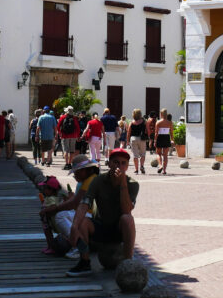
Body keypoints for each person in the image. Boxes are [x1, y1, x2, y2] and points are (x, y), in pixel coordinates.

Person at [66, 148, 138, 277]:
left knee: (128, 219)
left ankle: (128, 263)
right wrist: (74, 226)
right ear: (109, 163)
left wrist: (122, 184)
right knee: (83, 222)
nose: (119, 166)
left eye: (123, 163)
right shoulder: (98, 181)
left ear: (127, 166)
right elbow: (84, 203)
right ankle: (84, 261)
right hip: (101, 226)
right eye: (116, 162)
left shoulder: (132, 184)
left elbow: (127, 210)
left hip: (119, 228)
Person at [39, 158, 99, 256]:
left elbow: (75, 203)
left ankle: (77, 245)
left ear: (84, 170)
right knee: (66, 215)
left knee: (60, 216)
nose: (75, 175)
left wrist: (56, 208)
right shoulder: (90, 179)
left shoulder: (88, 182)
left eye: (76, 172)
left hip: (92, 216)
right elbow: (76, 201)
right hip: (91, 214)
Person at [127, 109, 148, 174]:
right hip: (142, 139)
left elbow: (128, 132)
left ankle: (136, 170)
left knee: (135, 155)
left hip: (133, 139)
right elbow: (147, 130)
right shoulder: (144, 121)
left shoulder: (131, 122)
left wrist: (127, 141)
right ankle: (142, 166)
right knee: (143, 154)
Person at [58, 106, 80, 170]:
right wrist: (77, 135)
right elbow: (78, 128)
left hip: (64, 136)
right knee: (72, 151)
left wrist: (60, 134)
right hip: (73, 136)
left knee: (66, 150)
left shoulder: (62, 117)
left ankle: (66, 164)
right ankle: (70, 164)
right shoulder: (74, 118)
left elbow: (58, 126)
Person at [154, 109, 174, 174]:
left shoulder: (158, 122)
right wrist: (172, 140)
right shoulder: (170, 122)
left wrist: (155, 140)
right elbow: (171, 132)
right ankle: (164, 170)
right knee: (165, 155)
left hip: (160, 137)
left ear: (161, 114)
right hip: (166, 137)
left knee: (158, 153)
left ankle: (160, 165)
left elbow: (156, 133)